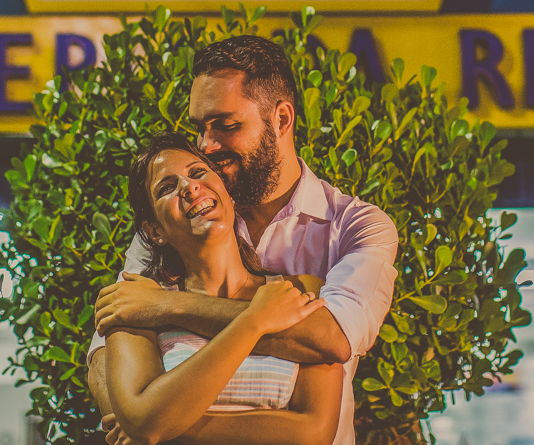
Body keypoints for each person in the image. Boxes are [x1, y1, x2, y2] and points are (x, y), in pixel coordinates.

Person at [89, 35, 400, 445]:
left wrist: (168, 306)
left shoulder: (356, 226)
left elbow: (332, 339)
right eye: (200, 128)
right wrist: (138, 417)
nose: (206, 145)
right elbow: (105, 353)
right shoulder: (183, 220)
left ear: (282, 119)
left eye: (227, 125)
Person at [104, 131, 343, 444]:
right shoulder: (136, 303)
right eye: (167, 188)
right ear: (155, 231)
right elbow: (146, 421)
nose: (189, 187)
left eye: (197, 172)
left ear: (228, 194)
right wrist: (254, 321)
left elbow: (314, 433)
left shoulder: (297, 289)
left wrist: (171, 422)